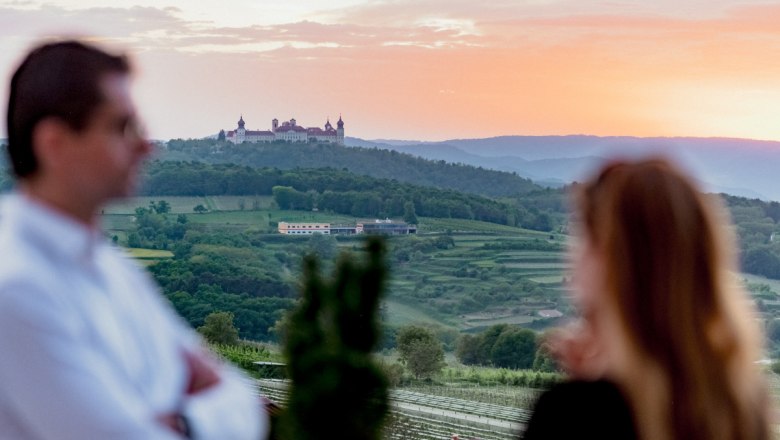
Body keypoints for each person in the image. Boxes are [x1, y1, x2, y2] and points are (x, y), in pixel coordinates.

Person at [0, 40, 267, 439]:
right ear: (54, 144)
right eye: (121, 127)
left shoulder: (111, 266)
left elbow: (246, 403)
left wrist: (178, 423)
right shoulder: (16, 291)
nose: (146, 146)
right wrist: (198, 414)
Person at [522, 158, 771, 440]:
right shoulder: (741, 404)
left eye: (583, 239)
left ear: (607, 262)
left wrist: (582, 389)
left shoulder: (572, 412)